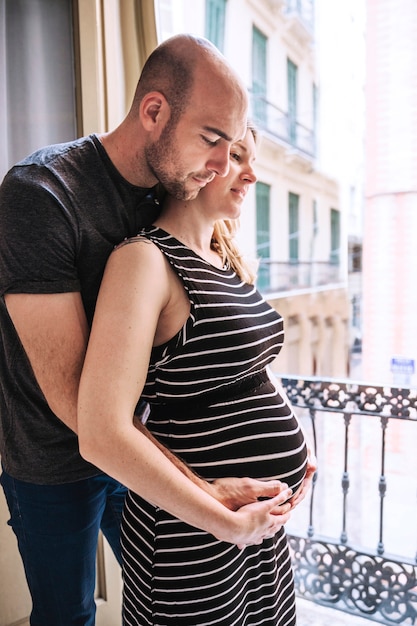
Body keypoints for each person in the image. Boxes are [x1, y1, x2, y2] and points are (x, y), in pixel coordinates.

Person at [0, 34, 298, 626]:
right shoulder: (41, 195)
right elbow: (79, 408)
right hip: (56, 459)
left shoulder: (168, 188)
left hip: (139, 448)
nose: (223, 164)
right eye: (214, 141)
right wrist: (205, 493)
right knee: (69, 613)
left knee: (154, 600)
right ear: (154, 111)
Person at [77, 125, 315, 626]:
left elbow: (247, 373)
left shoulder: (225, 262)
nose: (252, 175)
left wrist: (297, 452)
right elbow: (101, 432)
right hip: (194, 528)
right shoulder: (144, 261)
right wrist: (224, 521)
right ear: (201, 161)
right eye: (237, 157)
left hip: (254, 526)